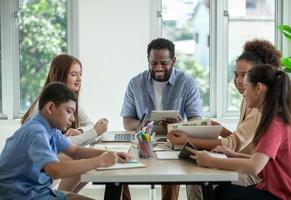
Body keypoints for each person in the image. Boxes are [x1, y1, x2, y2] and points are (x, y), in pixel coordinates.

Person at [167, 39, 282, 200]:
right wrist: (220, 129)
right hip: (245, 161)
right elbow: (244, 140)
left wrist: (187, 139)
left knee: (199, 180)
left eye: (245, 75)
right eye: (236, 75)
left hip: (258, 174)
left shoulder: (262, 108)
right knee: (196, 176)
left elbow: (237, 144)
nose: (239, 80)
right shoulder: (247, 98)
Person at [188, 64, 291, 200]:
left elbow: (254, 167)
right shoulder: (275, 119)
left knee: (223, 193)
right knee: (218, 189)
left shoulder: (273, 125)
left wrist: (209, 160)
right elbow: (262, 161)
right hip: (275, 190)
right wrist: (233, 154)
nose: (244, 93)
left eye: (246, 88)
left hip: (284, 196)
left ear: (258, 88)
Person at [0, 83, 129, 200]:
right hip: (20, 196)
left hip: (38, 193)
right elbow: (55, 170)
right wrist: (99, 161)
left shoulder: (51, 129)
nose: (73, 119)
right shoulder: (36, 132)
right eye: (69, 111)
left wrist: (111, 154)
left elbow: (75, 151)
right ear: (50, 107)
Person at [121, 38, 203, 200]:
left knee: (172, 171)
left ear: (173, 61)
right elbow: (127, 121)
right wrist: (142, 125)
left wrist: (180, 125)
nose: (158, 68)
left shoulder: (187, 83)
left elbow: (196, 119)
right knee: (118, 170)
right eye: (153, 63)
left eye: (164, 63)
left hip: (173, 140)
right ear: (148, 61)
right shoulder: (135, 83)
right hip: (143, 140)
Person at [21, 54, 109, 193]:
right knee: (82, 161)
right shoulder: (47, 107)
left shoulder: (67, 100)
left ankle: (63, 195)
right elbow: (59, 146)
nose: (79, 79)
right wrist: (93, 132)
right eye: (74, 74)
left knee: (86, 161)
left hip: (46, 162)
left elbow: (90, 125)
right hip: (32, 170)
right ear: (60, 77)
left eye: (80, 74)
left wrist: (80, 131)